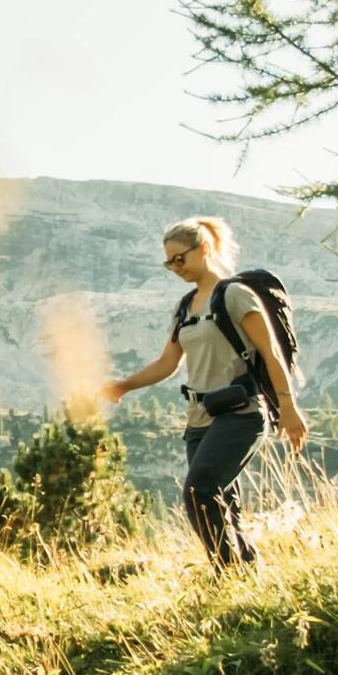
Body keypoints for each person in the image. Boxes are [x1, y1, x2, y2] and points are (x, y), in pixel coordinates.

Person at [103, 216, 307, 568]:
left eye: (180, 259)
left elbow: (271, 352)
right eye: (169, 263)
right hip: (200, 419)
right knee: (222, 499)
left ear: (205, 250)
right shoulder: (184, 307)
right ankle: (245, 572)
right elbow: (167, 363)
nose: (175, 268)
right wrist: (123, 384)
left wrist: (288, 408)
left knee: (199, 491)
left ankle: (224, 573)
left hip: (241, 413)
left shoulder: (235, 295)